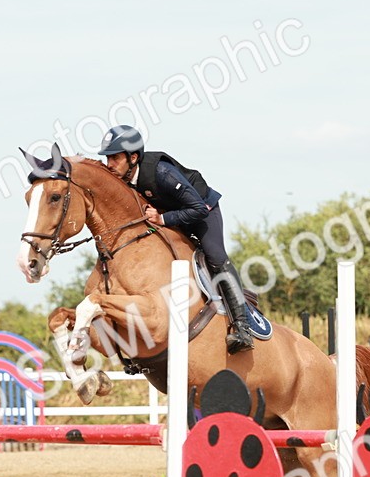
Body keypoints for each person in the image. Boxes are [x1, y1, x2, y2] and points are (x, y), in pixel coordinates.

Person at [97, 125, 253, 353]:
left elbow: (197, 209)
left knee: (215, 256)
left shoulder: (162, 172)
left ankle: (242, 326)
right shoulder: (123, 179)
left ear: (133, 157)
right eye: (107, 158)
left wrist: (162, 218)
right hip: (170, 216)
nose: (110, 164)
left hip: (202, 211)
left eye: (115, 158)